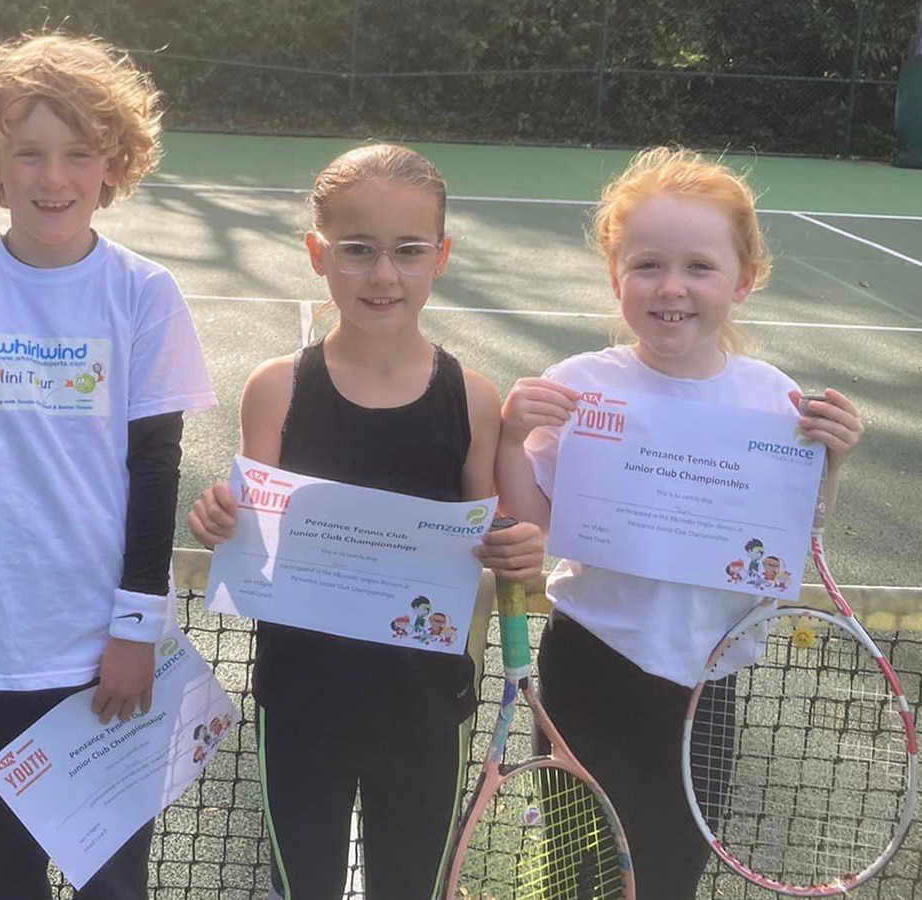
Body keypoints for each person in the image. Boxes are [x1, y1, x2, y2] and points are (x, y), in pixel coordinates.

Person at [0, 33, 215, 900]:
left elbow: (156, 470)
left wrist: (135, 630)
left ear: (116, 162)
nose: (53, 177)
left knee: (113, 878)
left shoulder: (144, 293)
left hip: (106, 641)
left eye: (78, 153)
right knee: (0, 868)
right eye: (28, 152)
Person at [493, 146, 864, 898]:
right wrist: (508, 439)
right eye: (648, 265)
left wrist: (833, 461)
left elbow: (796, 533)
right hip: (588, 666)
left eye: (699, 266)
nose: (672, 288)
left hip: (708, 681)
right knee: (575, 874)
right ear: (615, 276)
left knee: (668, 877)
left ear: (744, 280)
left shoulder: (776, 401)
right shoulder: (575, 387)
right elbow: (530, 532)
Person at [186, 143, 545, 900]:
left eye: (409, 251)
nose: (384, 275)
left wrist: (513, 548)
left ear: (440, 256)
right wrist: (220, 519)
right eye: (357, 251)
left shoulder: (473, 399)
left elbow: (489, 539)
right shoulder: (276, 389)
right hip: (299, 704)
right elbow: (253, 527)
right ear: (317, 254)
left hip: (425, 709)